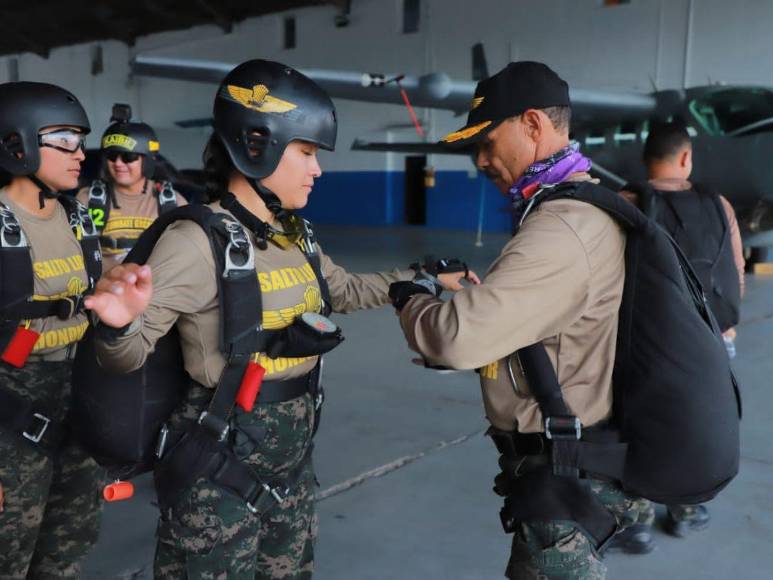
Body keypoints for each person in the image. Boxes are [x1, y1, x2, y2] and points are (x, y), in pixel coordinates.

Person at [84, 59, 475, 579]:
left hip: (290, 466)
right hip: (217, 470)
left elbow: (345, 290)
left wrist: (421, 279)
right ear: (256, 145)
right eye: (308, 153)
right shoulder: (196, 242)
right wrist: (117, 322)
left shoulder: (296, 235)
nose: (318, 169)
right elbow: (127, 355)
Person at [388, 61, 647, 579]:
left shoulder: (562, 228)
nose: (481, 160)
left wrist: (411, 297)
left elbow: (453, 339)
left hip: (564, 482)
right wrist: (492, 311)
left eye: (489, 142)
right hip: (570, 465)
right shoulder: (580, 208)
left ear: (533, 125)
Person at [610, 122, 745, 554]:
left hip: (641, 340)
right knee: (702, 419)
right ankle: (690, 507)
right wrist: (725, 326)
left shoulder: (625, 202)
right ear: (686, 157)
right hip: (711, 338)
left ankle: (634, 519)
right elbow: (734, 268)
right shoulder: (718, 204)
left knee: (628, 420)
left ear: (646, 159)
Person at [0, 82, 104, 578]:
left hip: (78, 404)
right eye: (64, 139)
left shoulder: (77, 218)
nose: (79, 153)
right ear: (16, 141)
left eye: (81, 140)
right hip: (9, 413)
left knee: (69, 543)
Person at [77, 105, 187, 272]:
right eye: (112, 156)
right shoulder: (88, 199)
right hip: (104, 291)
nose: (118, 163)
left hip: (155, 291)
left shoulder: (171, 202)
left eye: (129, 157)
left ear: (148, 160)